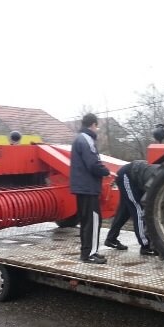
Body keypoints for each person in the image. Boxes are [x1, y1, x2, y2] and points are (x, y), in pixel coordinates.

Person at [69, 113, 111, 264]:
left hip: (82, 187)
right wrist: (106, 172)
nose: (97, 129)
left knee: (86, 222)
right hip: (88, 187)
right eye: (97, 126)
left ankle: (86, 252)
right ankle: (90, 254)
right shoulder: (87, 139)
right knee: (93, 221)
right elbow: (93, 164)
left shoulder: (79, 139)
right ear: (93, 124)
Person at [104, 160, 159, 256]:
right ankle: (146, 246)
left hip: (136, 179)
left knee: (124, 211)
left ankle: (111, 239)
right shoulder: (161, 177)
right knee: (138, 210)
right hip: (127, 176)